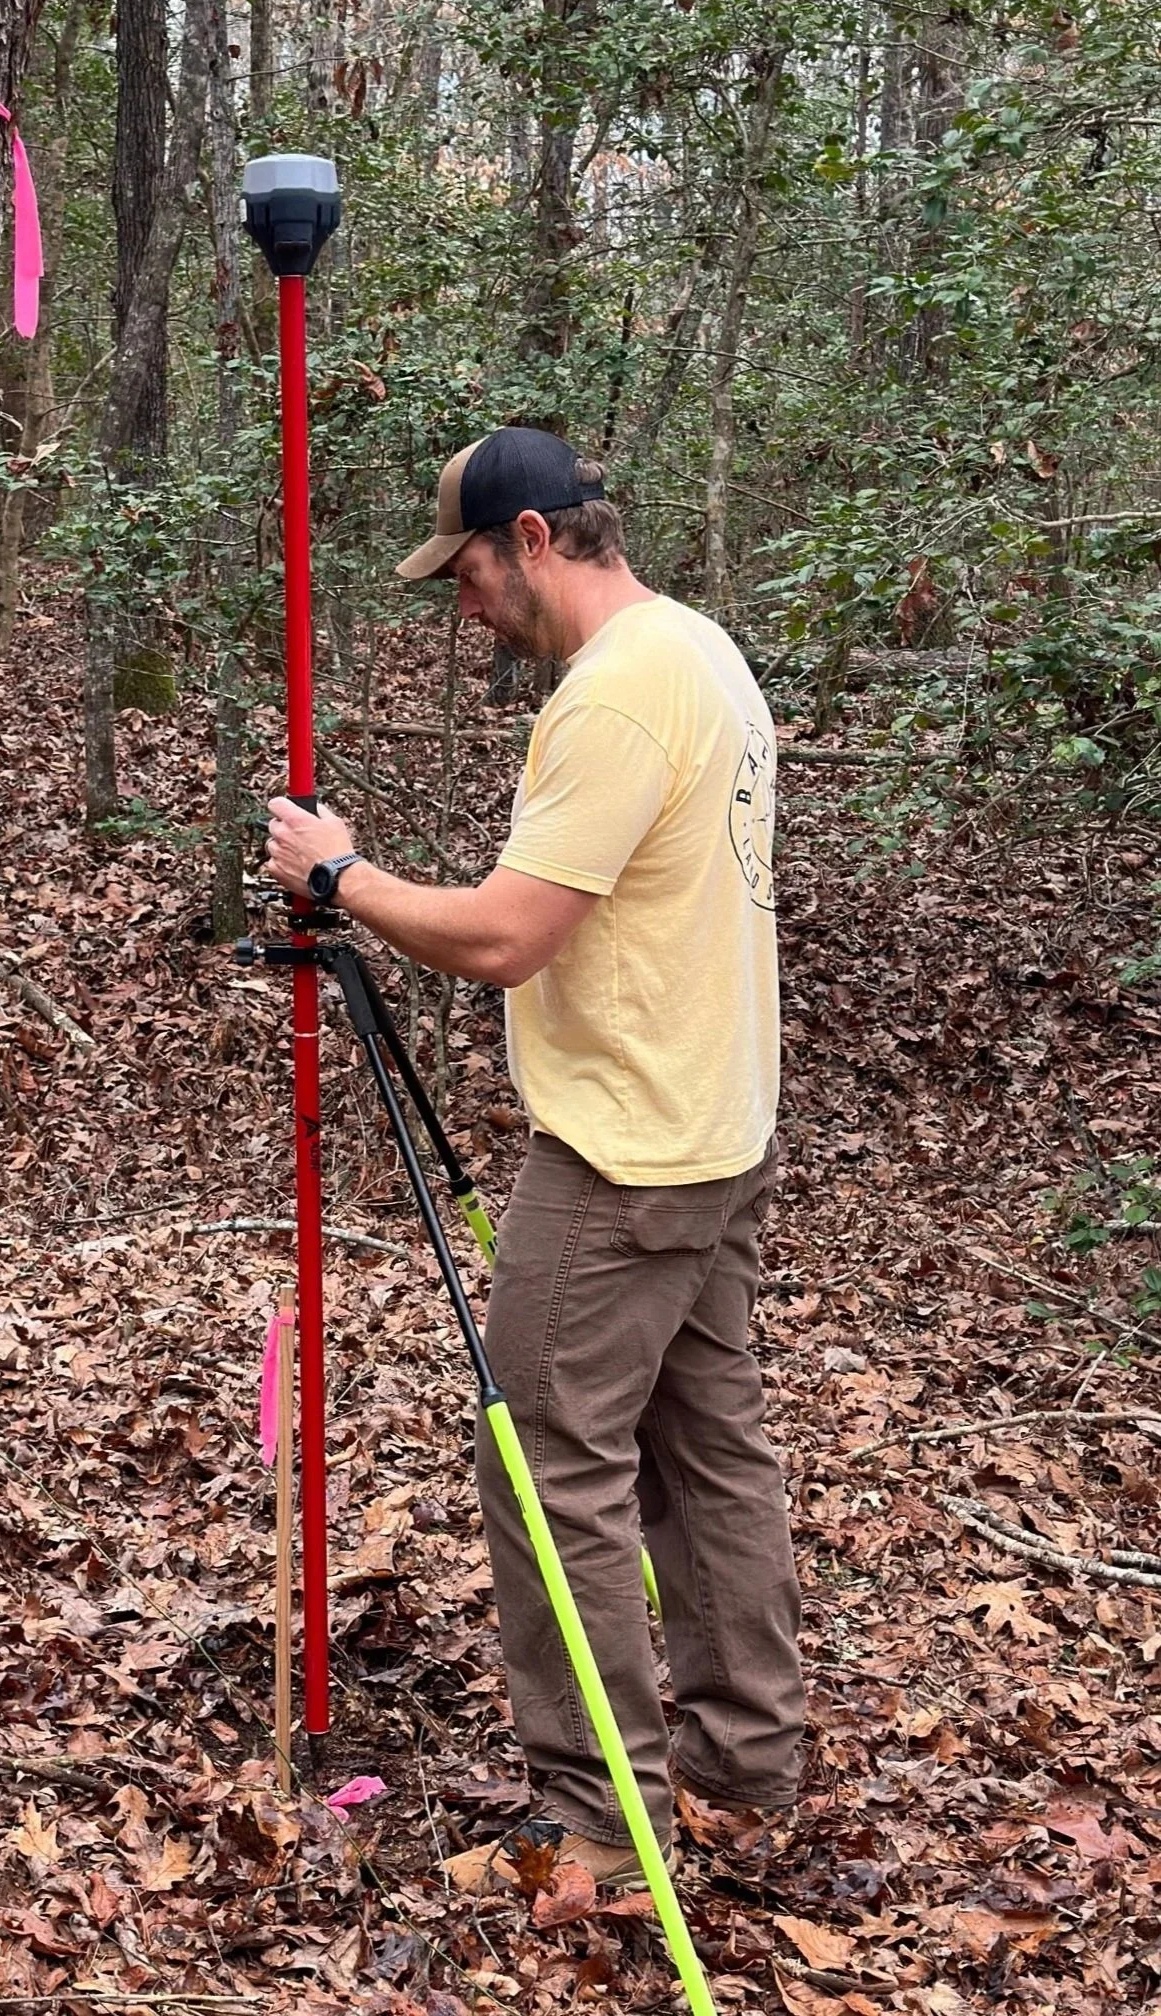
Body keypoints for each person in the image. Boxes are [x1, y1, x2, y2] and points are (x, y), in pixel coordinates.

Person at [262, 426, 805, 1891]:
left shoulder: (619, 698)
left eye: (469, 571)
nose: (463, 603)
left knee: (545, 1463)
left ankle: (599, 1820)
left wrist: (337, 875)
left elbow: (506, 938)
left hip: (628, 1150)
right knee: (707, 1455)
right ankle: (743, 1767)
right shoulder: (701, 650)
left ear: (538, 543)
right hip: (714, 1128)